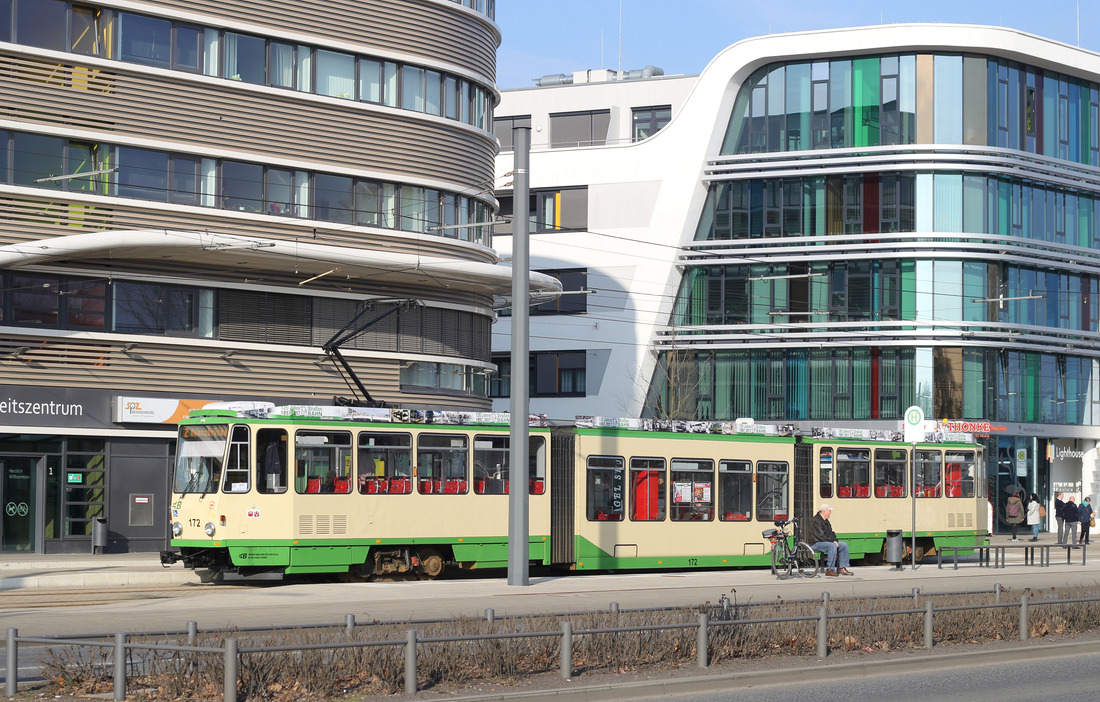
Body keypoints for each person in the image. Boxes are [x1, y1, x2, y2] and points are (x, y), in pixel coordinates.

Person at [808, 503, 853, 577]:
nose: (830, 512)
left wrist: (835, 540)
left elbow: (831, 533)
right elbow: (820, 535)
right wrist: (832, 542)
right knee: (832, 546)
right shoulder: (816, 520)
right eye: (829, 511)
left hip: (825, 541)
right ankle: (830, 569)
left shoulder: (826, 520)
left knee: (844, 545)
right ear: (824, 511)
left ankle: (841, 568)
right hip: (816, 543)